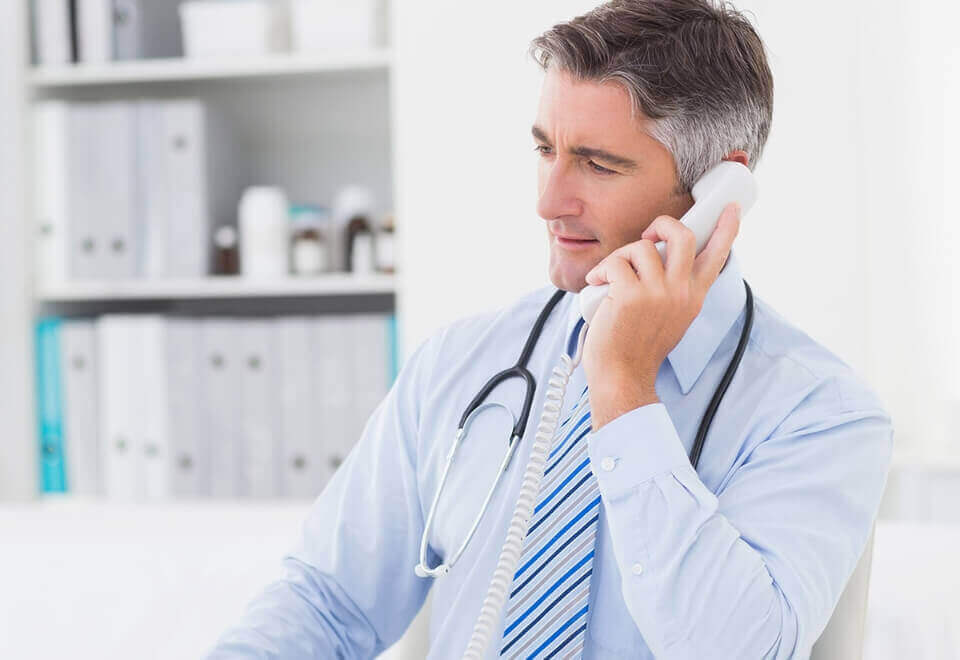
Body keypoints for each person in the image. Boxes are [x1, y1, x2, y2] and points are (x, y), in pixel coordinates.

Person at [206, 1, 893, 658]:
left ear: (717, 190)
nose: (547, 201)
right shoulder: (461, 362)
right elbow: (329, 602)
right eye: (545, 150)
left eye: (597, 163)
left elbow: (740, 650)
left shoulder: (820, 413)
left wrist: (623, 390)